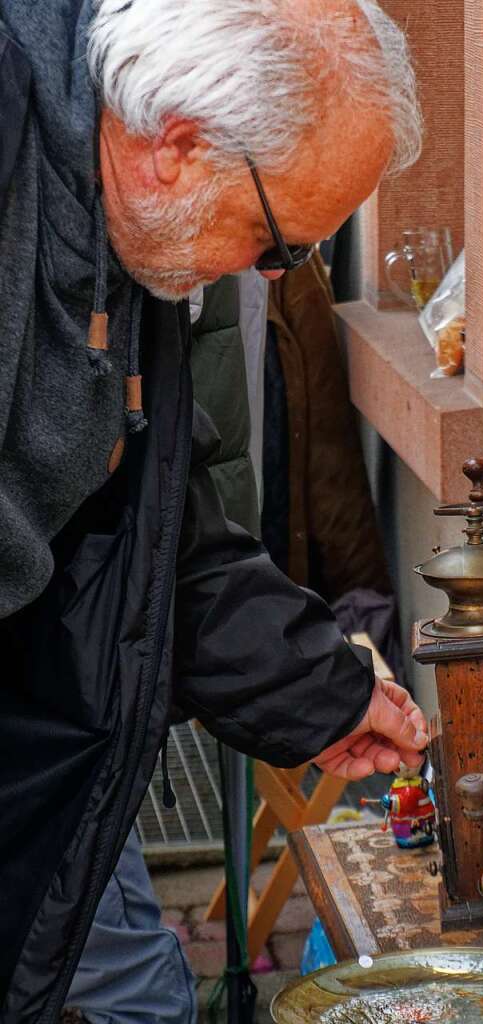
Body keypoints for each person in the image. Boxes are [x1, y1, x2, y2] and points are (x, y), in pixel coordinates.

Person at [0, 3, 426, 1022]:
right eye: (276, 242)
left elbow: (147, 526)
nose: (266, 276)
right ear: (178, 144)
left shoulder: (126, 219)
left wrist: (315, 688)